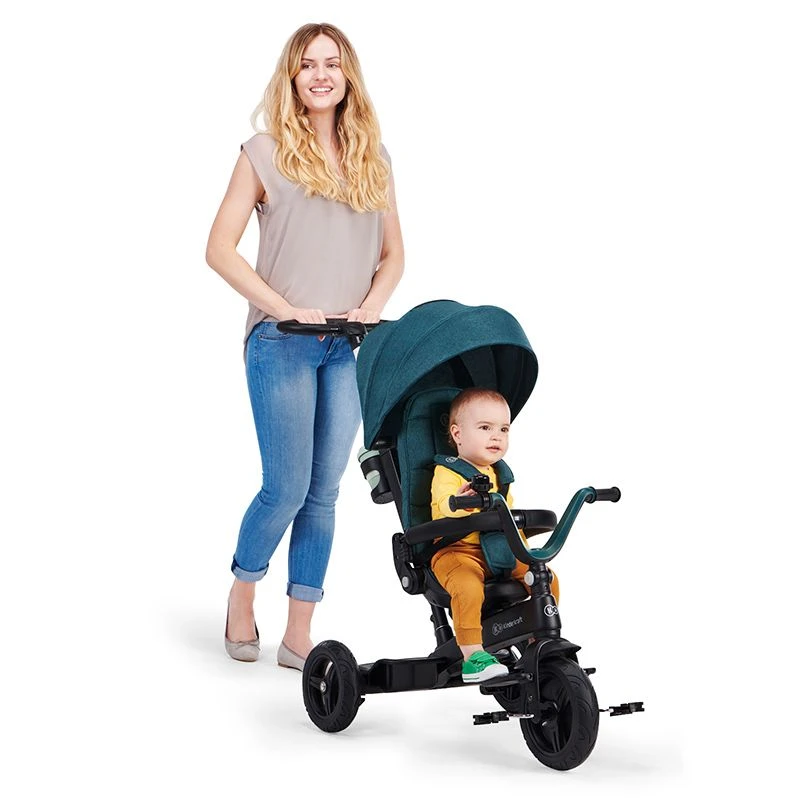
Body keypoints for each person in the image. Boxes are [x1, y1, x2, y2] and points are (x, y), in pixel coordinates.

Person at [205, 22, 404, 666]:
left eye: (333, 63)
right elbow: (219, 249)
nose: (321, 74)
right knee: (285, 489)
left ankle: (298, 631)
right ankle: (242, 592)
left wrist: (371, 308)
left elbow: (394, 255)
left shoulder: (373, 158)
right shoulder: (264, 152)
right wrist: (284, 307)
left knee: (324, 493)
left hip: (344, 346)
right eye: (308, 63)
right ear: (292, 76)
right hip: (281, 341)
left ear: (349, 77)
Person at [430, 388, 560, 683]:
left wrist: (524, 547)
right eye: (485, 428)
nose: (497, 437)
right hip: (457, 551)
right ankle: (472, 655)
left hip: (499, 550)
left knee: (546, 578)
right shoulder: (447, 472)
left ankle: (536, 642)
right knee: (467, 587)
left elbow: (507, 520)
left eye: (503, 429)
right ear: (457, 434)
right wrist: (460, 502)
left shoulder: (500, 475)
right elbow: (443, 506)